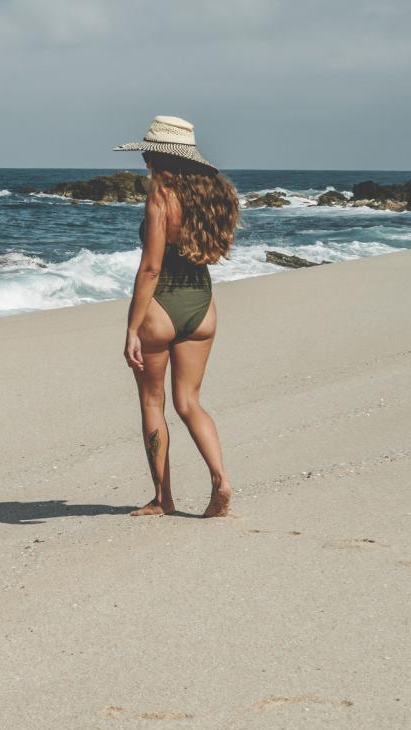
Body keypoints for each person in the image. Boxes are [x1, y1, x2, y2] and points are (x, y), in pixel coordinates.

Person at [114, 116, 240, 517]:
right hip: (201, 305)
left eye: (148, 152)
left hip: (161, 308)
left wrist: (132, 328)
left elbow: (151, 268)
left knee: (153, 401)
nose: (145, 159)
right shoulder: (218, 196)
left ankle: (162, 499)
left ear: (159, 156)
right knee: (189, 402)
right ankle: (220, 478)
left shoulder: (161, 197)